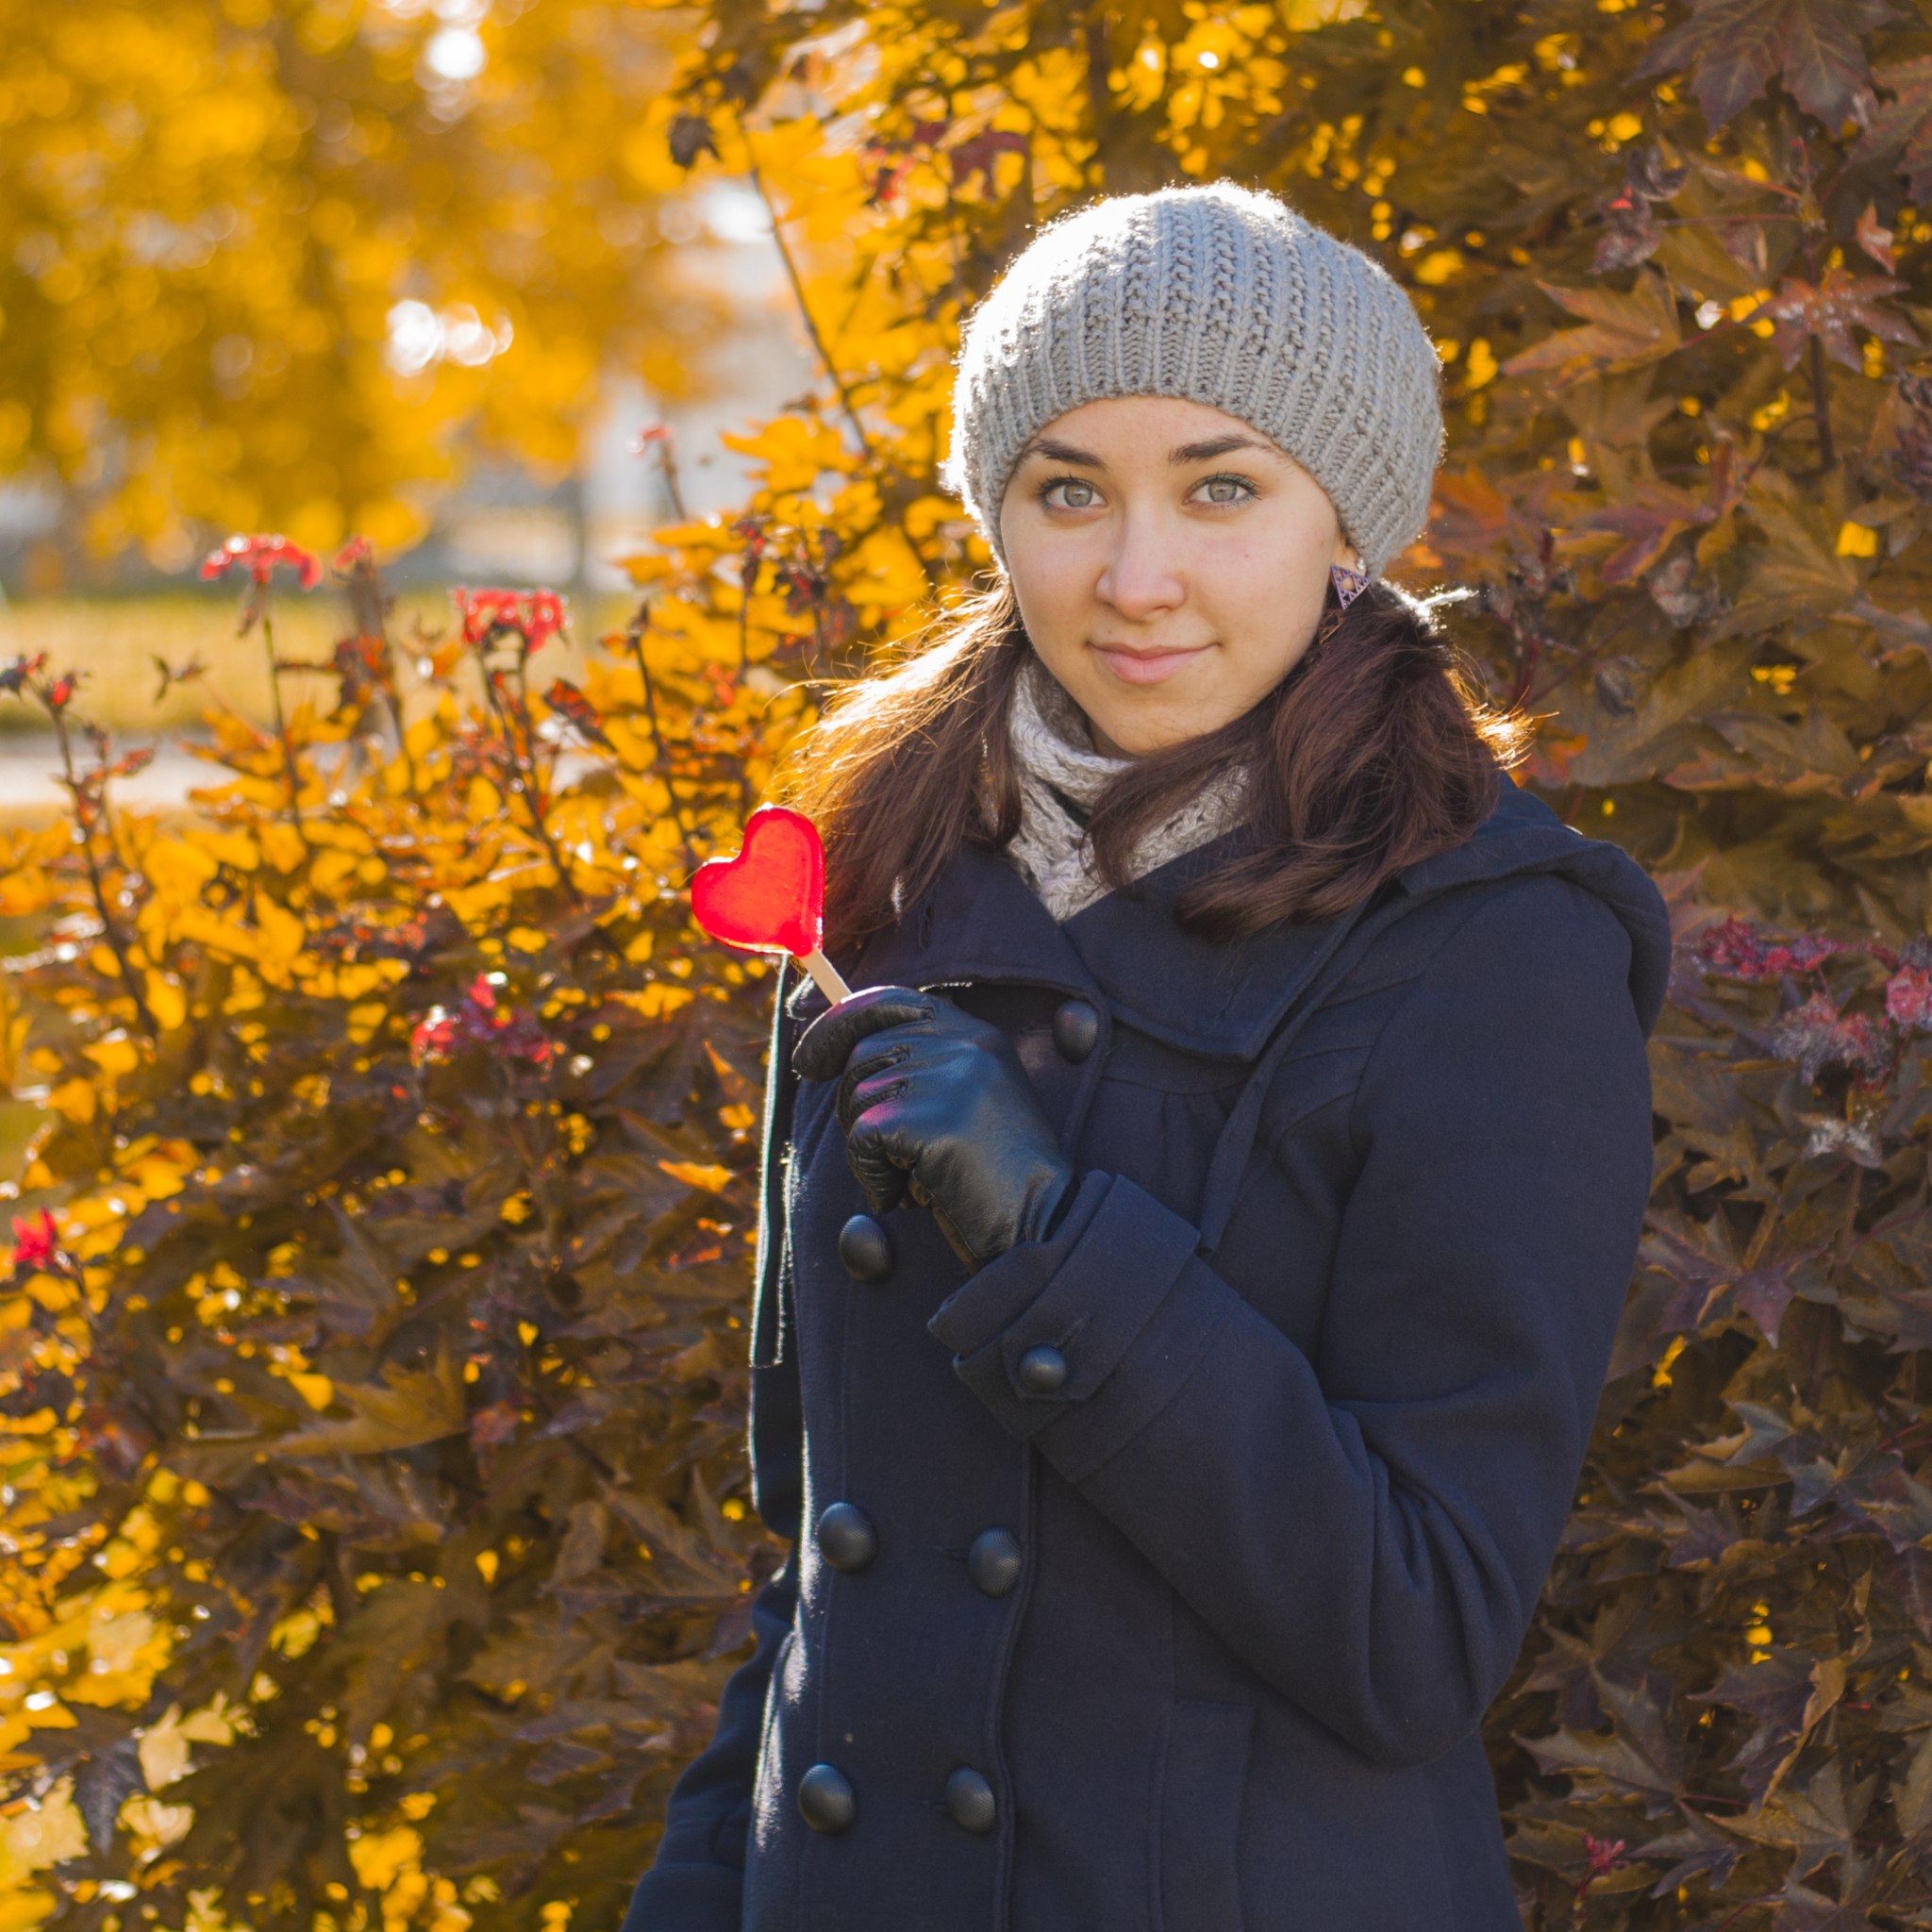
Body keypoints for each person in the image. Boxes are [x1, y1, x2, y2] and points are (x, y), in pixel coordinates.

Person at [622, 180, 1668, 1931]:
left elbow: (1418, 1625)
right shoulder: (886, 896)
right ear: (997, 514)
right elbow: (828, 1568)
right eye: (1068, 491)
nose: (1135, 577)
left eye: (1224, 487)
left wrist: (1057, 1246)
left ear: (1350, 530)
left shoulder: (1494, 952)